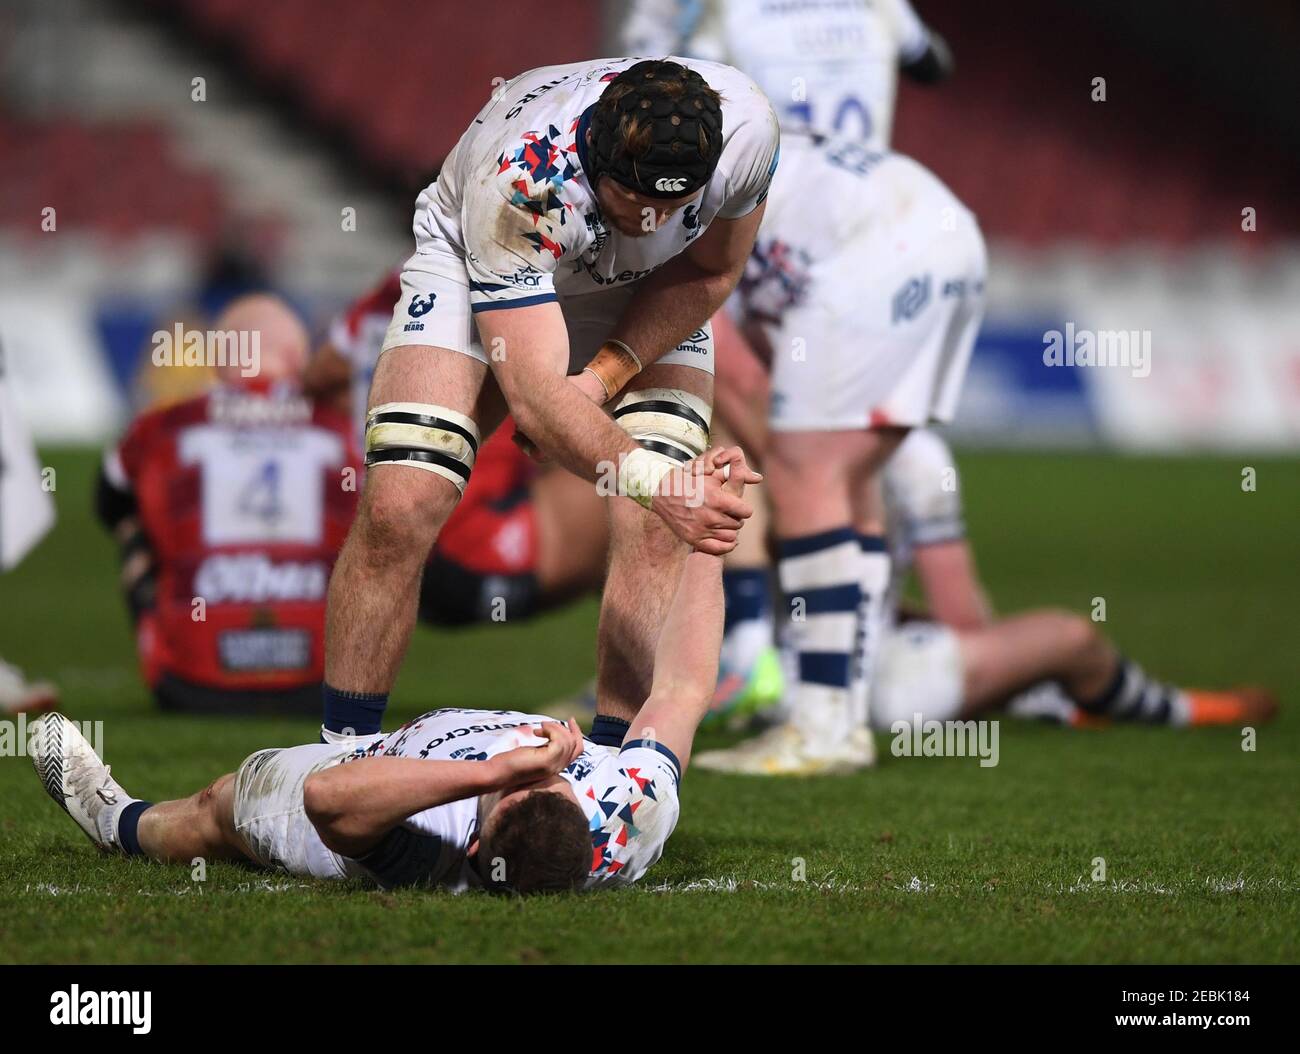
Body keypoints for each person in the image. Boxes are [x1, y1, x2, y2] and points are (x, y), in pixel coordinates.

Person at [32, 450, 761, 895]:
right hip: (450, 751)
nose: (536, 775)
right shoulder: (631, 808)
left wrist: (487, 774)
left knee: (219, 810)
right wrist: (709, 537)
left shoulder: (433, 849)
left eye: (515, 790)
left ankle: (115, 820)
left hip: (366, 780)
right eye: (550, 782)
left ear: (477, 844)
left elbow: (327, 794)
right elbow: (683, 686)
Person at [319, 58, 779, 750]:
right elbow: (533, 400)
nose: (654, 222)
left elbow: (710, 269)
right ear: (598, 161)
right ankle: (343, 760)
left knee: (653, 527)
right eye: (637, 204)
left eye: (675, 208)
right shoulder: (524, 184)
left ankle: (610, 766)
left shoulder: (747, 136)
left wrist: (600, 378)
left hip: (648, 287)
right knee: (403, 499)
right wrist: (660, 483)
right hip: (480, 253)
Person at [694, 130, 986, 774]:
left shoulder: (655, 208)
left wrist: (800, 491)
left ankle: (821, 725)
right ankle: (843, 714)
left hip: (880, 253)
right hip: (947, 236)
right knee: (850, 477)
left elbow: (738, 378)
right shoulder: (722, 149)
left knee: (811, 473)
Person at [860, 429, 1279, 733]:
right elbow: (963, 623)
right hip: (870, 692)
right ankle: (1184, 710)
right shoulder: (914, 454)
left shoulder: (799, 443)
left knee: (906, 623)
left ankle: (1046, 703)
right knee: (1071, 639)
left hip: (801, 693)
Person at [95, 295, 361, 713]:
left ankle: (175, 646)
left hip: (190, 688)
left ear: (219, 359)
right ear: (298, 355)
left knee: (135, 523)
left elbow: (109, 503)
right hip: (325, 686)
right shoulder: (345, 426)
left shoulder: (164, 424)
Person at [622, 0, 953, 147]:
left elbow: (678, 84)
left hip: (772, 206)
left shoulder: (729, 7)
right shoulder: (882, 5)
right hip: (863, 199)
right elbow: (933, 66)